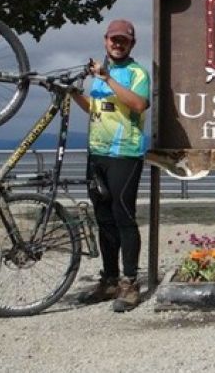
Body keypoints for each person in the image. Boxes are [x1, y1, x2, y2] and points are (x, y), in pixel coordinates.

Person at [72, 19, 150, 312]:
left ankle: (130, 283)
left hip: (125, 155)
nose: (118, 44)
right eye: (113, 40)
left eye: (124, 41)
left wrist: (107, 79)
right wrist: (72, 94)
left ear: (132, 44)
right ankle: (109, 280)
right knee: (103, 219)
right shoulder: (98, 74)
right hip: (97, 154)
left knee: (123, 217)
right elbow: (96, 108)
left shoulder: (136, 72)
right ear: (105, 40)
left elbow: (139, 104)